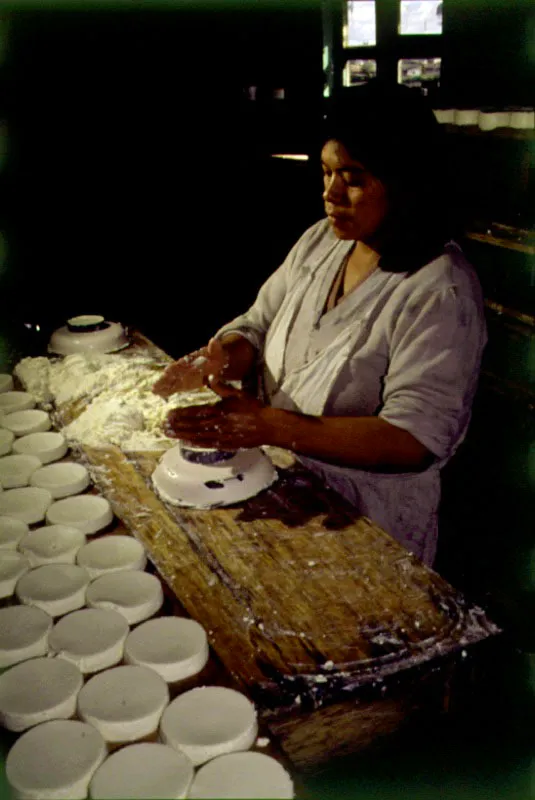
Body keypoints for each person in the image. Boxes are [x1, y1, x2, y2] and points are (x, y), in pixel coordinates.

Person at [153, 81, 487, 567]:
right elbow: (260, 322)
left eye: (353, 177)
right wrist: (223, 355)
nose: (331, 194)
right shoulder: (321, 242)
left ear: (403, 181)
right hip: (282, 482)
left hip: (370, 520)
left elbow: (412, 441)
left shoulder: (440, 290)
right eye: (327, 172)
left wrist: (271, 425)